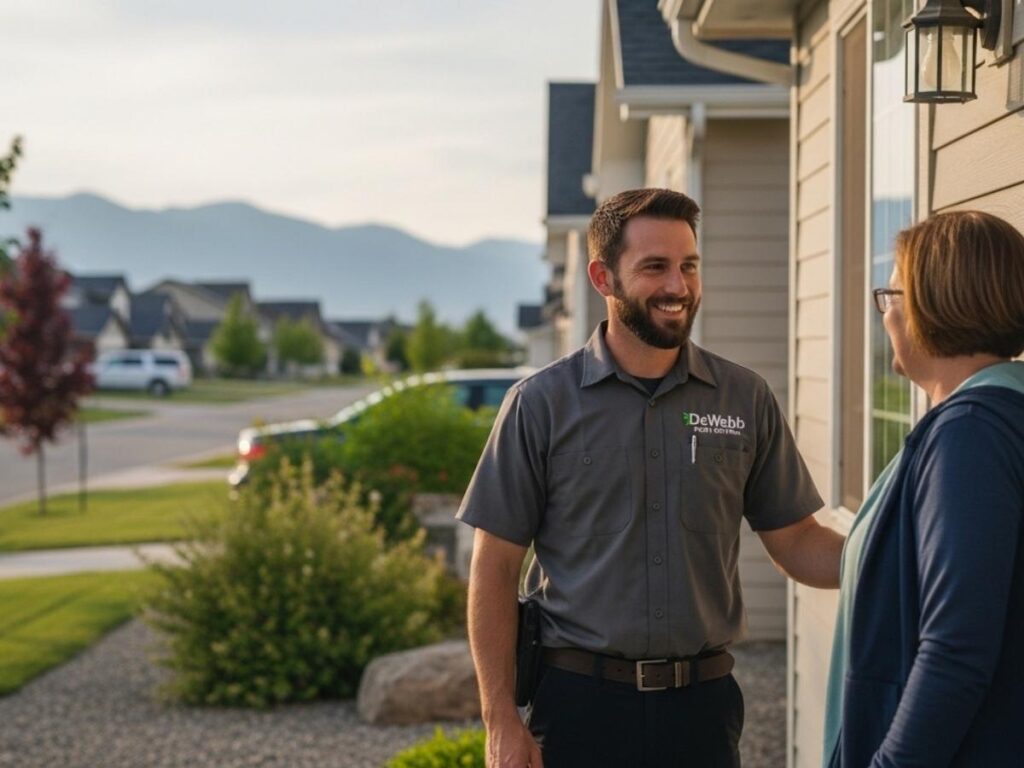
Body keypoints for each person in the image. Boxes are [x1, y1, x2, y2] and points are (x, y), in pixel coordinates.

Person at [458, 188, 844, 768]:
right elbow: (494, 566)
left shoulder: (745, 399)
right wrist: (500, 718)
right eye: (655, 267)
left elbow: (798, 542)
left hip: (703, 711)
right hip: (578, 708)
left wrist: (895, 555)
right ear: (602, 277)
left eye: (689, 265)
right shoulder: (540, 406)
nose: (677, 286)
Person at [823, 210, 1024, 767]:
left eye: (892, 293)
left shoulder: (971, 434)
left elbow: (955, 652)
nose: (886, 313)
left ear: (931, 305)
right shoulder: (1001, 414)